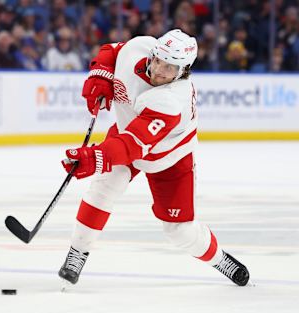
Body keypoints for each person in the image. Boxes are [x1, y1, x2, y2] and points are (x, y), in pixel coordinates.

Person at [58, 29, 250, 287]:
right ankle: (77, 253)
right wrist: (100, 75)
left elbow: (133, 145)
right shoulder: (139, 48)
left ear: (183, 72)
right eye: (158, 60)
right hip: (127, 135)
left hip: (169, 156)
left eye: (169, 68)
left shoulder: (172, 101)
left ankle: (219, 258)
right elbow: (112, 51)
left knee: (179, 231)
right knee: (103, 189)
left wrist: (94, 158)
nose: (158, 70)